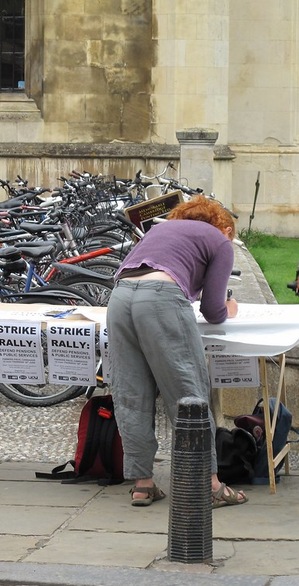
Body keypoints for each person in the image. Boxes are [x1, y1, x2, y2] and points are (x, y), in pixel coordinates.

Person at [106, 195, 247, 508]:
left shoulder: (159, 230)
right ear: (224, 226)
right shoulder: (220, 240)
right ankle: (209, 485)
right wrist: (230, 308)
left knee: (131, 394)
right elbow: (213, 310)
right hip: (160, 299)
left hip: (119, 298)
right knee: (188, 393)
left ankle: (142, 484)